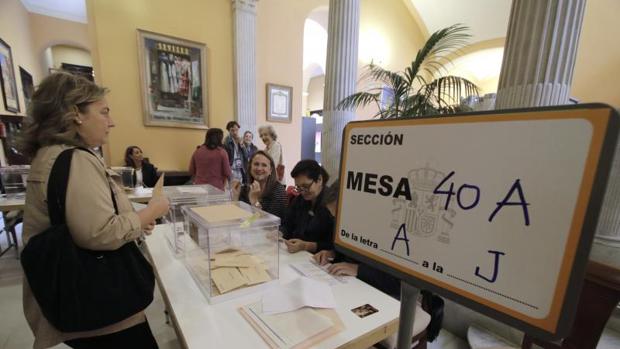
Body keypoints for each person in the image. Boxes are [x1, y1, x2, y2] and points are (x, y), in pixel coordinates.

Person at [19, 72, 170, 349]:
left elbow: (87, 213)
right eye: (104, 112)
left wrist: (135, 219)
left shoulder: (48, 154)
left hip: (71, 294)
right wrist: (152, 211)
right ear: (76, 113)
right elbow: (99, 232)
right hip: (100, 300)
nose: (111, 122)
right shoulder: (75, 158)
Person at [313, 179, 400, 298]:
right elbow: (348, 256)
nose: (339, 223)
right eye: (334, 217)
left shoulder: (388, 231)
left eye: (341, 216)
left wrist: (358, 269)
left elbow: (398, 283)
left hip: (383, 296)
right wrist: (332, 254)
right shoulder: (346, 227)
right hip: (352, 288)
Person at [281, 160, 333, 253]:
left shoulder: (332, 205)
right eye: (299, 187)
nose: (303, 192)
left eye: (306, 186)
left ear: (319, 179)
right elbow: (287, 224)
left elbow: (333, 246)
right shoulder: (299, 200)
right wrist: (279, 233)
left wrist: (306, 246)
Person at [231, 150, 286, 220]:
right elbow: (238, 218)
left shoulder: (278, 191)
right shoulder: (246, 188)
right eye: (256, 164)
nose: (259, 168)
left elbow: (268, 224)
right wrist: (235, 198)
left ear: (270, 170)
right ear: (250, 167)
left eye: (264, 165)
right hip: (251, 228)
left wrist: (255, 202)